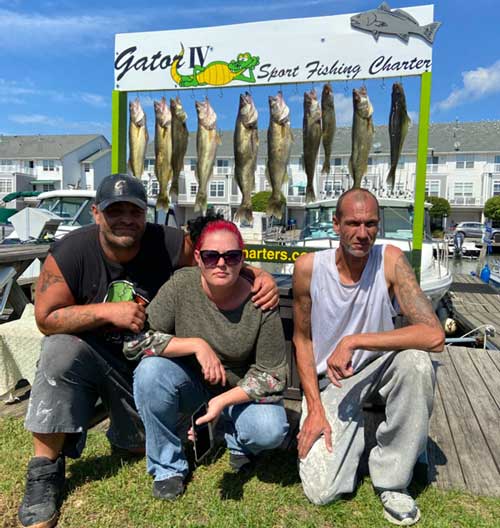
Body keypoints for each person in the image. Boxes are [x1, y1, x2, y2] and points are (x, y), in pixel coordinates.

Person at [18, 174, 279, 528]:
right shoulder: (71, 251)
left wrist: (254, 273)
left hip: (148, 368)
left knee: (136, 444)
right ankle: (45, 470)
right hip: (99, 360)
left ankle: (162, 432)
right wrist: (105, 312)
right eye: (115, 210)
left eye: (134, 211)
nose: (126, 218)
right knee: (58, 350)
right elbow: (46, 320)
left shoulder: (169, 242)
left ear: (146, 215)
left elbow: (214, 256)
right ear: (96, 213)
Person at [292, 189, 444, 526]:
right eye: (353, 223)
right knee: (322, 491)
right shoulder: (308, 269)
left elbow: (434, 335)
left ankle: (393, 480)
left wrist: (355, 340)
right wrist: (314, 407)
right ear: (336, 225)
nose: (362, 233)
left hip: (380, 366)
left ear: (379, 225)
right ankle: (355, 442)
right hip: (334, 379)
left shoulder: (390, 260)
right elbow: (302, 340)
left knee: (417, 364)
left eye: (371, 224)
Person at [131, 217, 289, 500]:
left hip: (240, 393)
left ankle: (232, 434)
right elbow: (136, 342)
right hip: (192, 383)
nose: (221, 263)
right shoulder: (180, 286)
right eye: (211, 255)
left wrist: (223, 400)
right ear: (197, 258)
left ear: (243, 259)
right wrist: (195, 345)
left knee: (270, 429)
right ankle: (168, 466)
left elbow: (274, 375)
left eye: (232, 256)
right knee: (149, 372)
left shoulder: (261, 300)